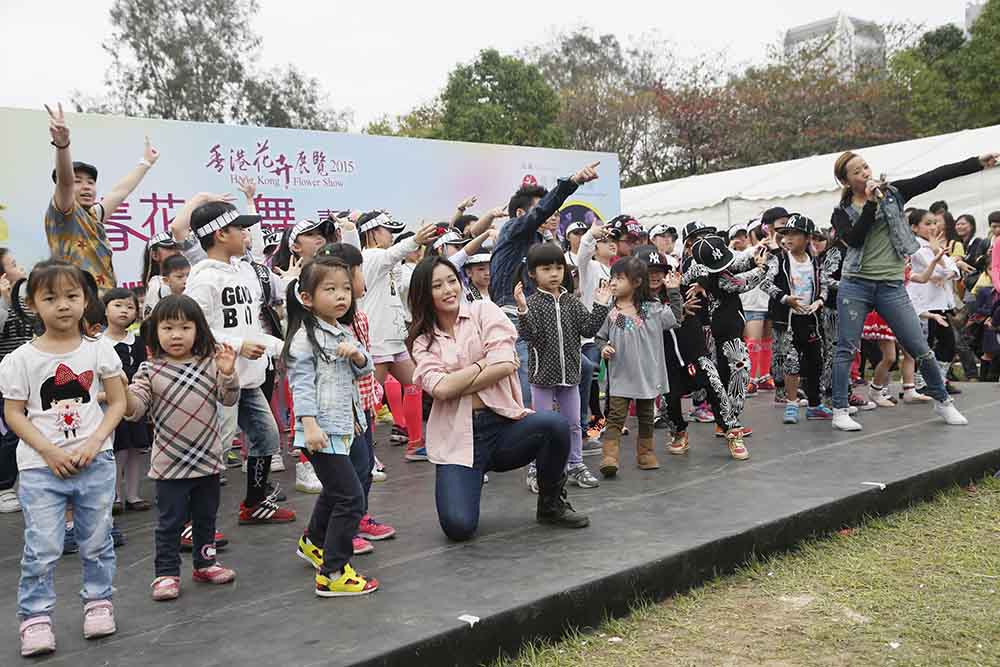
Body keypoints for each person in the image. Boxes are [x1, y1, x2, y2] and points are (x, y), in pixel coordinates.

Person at [408, 256, 589, 541]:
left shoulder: (483, 310)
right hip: (458, 441)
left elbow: (505, 363)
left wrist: (457, 380)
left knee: (554, 425)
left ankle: (551, 504)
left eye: (452, 281)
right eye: (437, 285)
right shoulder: (423, 341)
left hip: (503, 428)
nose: (448, 290)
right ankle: (470, 479)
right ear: (423, 293)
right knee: (458, 528)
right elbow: (440, 390)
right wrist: (482, 364)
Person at [0, 260, 126, 657]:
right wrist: (49, 451)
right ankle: (35, 618)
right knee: (43, 545)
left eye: (72, 296)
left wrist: (96, 442)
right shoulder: (20, 359)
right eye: (50, 297)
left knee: (97, 539)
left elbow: (117, 401)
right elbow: (14, 413)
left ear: (85, 299)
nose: (63, 305)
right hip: (41, 469)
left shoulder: (99, 349)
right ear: (33, 304)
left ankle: (99, 602)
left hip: (96, 462)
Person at [828, 150, 998, 430]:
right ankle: (840, 410)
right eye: (857, 172)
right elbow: (855, 240)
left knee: (919, 346)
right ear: (846, 182)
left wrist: (976, 163)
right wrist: (870, 204)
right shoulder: (841, 213)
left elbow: (935, 176)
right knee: (846, 347)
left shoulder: (894, 193)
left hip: (891, 285)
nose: (865, 173)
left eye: (866, 167)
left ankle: (943, 402)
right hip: (856, 284)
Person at [180, 200, 293, 524]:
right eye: (240, 228)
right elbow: (194, 328)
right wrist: (239, 346)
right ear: (220, 234)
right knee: (212, 449)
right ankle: (191, 522)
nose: (246, 234)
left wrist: (280, 347)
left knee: (266, 437)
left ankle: (254, 504)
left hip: (248, 378)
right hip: (219, 379)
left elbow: (251, 327)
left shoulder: (243, 271)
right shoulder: (204, 278)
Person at [123, 295, 240, 600]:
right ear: (155, 332)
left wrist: (229, 374)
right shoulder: (149, 370)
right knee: (170, 523)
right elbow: (135, 409)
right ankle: (166, 573)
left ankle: (206, 563)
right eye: (168, 328)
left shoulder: (210, 364)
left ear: (198, 330)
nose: (176, 335)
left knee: (206, 518)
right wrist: (120, 393)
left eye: (185, 327)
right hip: (170, 465)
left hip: (208, 462)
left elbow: (229, 399)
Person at [284, 257, 380, 597]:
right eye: (330, 289)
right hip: (322, 431)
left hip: (348, 425)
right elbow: (301, 386)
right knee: (350, 499)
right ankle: (333, 572)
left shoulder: (342, 330)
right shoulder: (304, 339)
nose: (341, 296)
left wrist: (357, 356)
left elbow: (365, 369)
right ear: (307, 298)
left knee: (342, 489)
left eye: (345, 289)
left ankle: (314, 542)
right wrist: (309, 426)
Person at [488, 162, 601, 406]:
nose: (549, 215)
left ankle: (579, 425)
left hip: (544, 317)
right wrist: (573, 181)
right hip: (514, 317)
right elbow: (540, 212)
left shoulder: (542, 241)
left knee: (583, 368)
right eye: (544, 208)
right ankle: (530, 425)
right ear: (521, 213)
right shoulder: (511, 230)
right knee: (529, 382)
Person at [316, 242, 397, 553]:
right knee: (350, 473)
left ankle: (357, 517)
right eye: (359, 271)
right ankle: (340, 529)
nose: (362, 278)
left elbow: (366, 363)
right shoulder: (330, 326)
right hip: (342, 411)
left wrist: (373, 396)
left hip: (363, 406)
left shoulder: (360, 318)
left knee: (363, 469)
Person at [514, 243, 612, 490]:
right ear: (533, 273)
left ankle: (575, 464)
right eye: (546, 269)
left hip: (570, 374)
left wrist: (601, 305)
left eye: (558, 268)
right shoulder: (533, 303)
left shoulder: (571, 302)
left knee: (574, 424)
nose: (554, 273)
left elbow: (588, 329)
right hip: (542, 377)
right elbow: (528, 335)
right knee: (541, 427)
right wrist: (523, 310)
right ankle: (537, 469)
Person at [43, 103, 159, 293]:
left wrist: (145, 163)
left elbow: (120, 192)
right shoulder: (63, 212)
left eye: (91, 182)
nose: (86, 186)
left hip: (105, 300)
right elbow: (65, 183)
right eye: (78, 181)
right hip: (77, 299)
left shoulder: (93, 215)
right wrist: (62, 145)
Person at [357, 211, 437, 460]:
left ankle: (415, 443)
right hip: (377, 339)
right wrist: (415, 241)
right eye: (387, 230)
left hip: (394, 338)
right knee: (369, 399)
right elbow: (392, 254)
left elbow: (401, 282)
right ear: (372, 233)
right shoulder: (369, 257)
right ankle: (365, 456)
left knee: (413, 384)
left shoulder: (388, 261)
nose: (391, 236)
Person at [595, 256, 683, 478]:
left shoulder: (653, 309)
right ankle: (610, 457)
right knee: (616, 416)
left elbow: (675, 319)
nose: (613, 283)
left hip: (647, 376)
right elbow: (600, 337)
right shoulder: (611, 311)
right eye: (612, 278)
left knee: (646, 416)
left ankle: (646, 453)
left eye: (619, 278)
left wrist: (674, 291)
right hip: (620, 376)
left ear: (636, 282)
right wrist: (604, 347)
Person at [763, 215, 833, 423]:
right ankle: (792, 404)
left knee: (815, 362)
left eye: (794, 234)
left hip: (811, 319)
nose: (789, 238)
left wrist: (820, 300)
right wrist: (785, 299)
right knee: (791, 362)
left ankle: (815, 405)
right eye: (786, 234)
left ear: (807, 237)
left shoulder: (816, 261)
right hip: (788, 320)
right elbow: (765, 283)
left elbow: (824, 285)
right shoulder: (779, 259)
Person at [101, 288, 150, 513]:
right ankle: (115, 496)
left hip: (135, 401)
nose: (124, 311)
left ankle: (133, 494)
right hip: (110, 405)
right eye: (118, 305)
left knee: (136, 448)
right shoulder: (98, 343)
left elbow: (144, 369)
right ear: (105, 310)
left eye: (130, 307)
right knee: (117, 449)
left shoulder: (138, 342)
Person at [907, 209, 964, 393]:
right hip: (923, 303)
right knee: (926, 344)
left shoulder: (934, 246)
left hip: (940, 302)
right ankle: (921, 383)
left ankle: (938, 380)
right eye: (927, 223)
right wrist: (943, 267)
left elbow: (953, 271)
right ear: (914, 228)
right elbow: (942, 271)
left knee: (948, 344)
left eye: (934, 223)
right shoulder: (915, 247)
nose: (933, 227)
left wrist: (945, 266)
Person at [0, 248, 32, 514]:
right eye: (12, 264)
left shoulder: (26, 300)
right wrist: (4, 301)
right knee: (12, 432)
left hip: (32, 377)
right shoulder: (3, 305)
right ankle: (4, 488)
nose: (19, 266)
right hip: (7, 381)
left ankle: (28, 482)